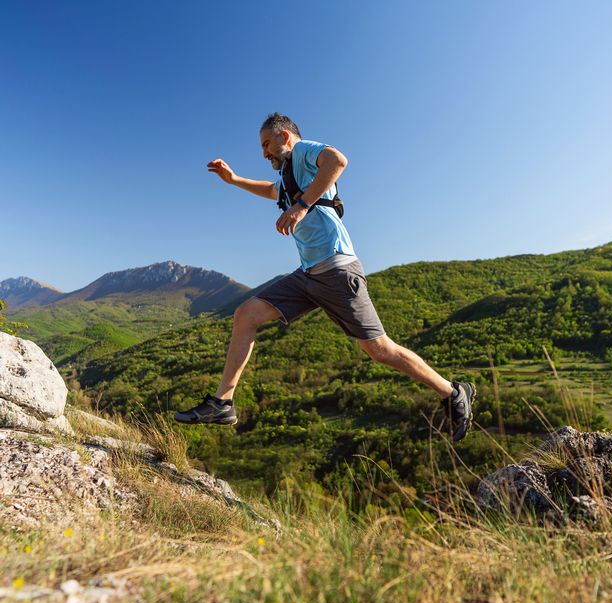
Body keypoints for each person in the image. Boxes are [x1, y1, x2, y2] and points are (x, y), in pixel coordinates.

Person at [174, 113, 476, 441]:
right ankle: (223, 402)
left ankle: (452, 392)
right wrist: (234, 180)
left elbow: (337, 160)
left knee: (380, 350)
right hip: (308, 275)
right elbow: (269, 189)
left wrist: (302, 206)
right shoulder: (291, 174)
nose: (264, 154)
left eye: (266, 144)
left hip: (336, 269)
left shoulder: (302, 151)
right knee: (245, 315)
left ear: (284, 137)